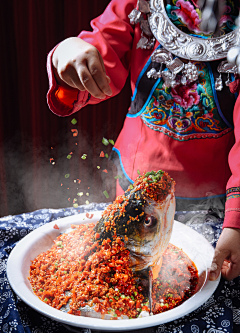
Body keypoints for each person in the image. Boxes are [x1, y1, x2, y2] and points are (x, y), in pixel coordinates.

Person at [47, 0, 240, 282]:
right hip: (135, 180)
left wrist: (236, 221)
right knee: (126, 275)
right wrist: (68, 53)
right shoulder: (141, 3)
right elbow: (101, 51)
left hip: (214, 204)